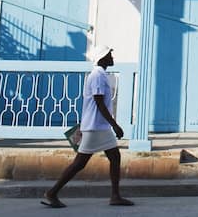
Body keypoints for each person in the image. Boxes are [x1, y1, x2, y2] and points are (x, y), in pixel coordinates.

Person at [42, 49, 134, 208]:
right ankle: (52, 193)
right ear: (102, 58)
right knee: (80, 163)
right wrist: (115, 124)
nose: (112, 57)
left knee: (114, 157)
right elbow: (99, 103)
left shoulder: (100, 75)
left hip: (99, 127)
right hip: (95, 127)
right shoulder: (97, 76)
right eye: (109, 55)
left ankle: (115, 195)